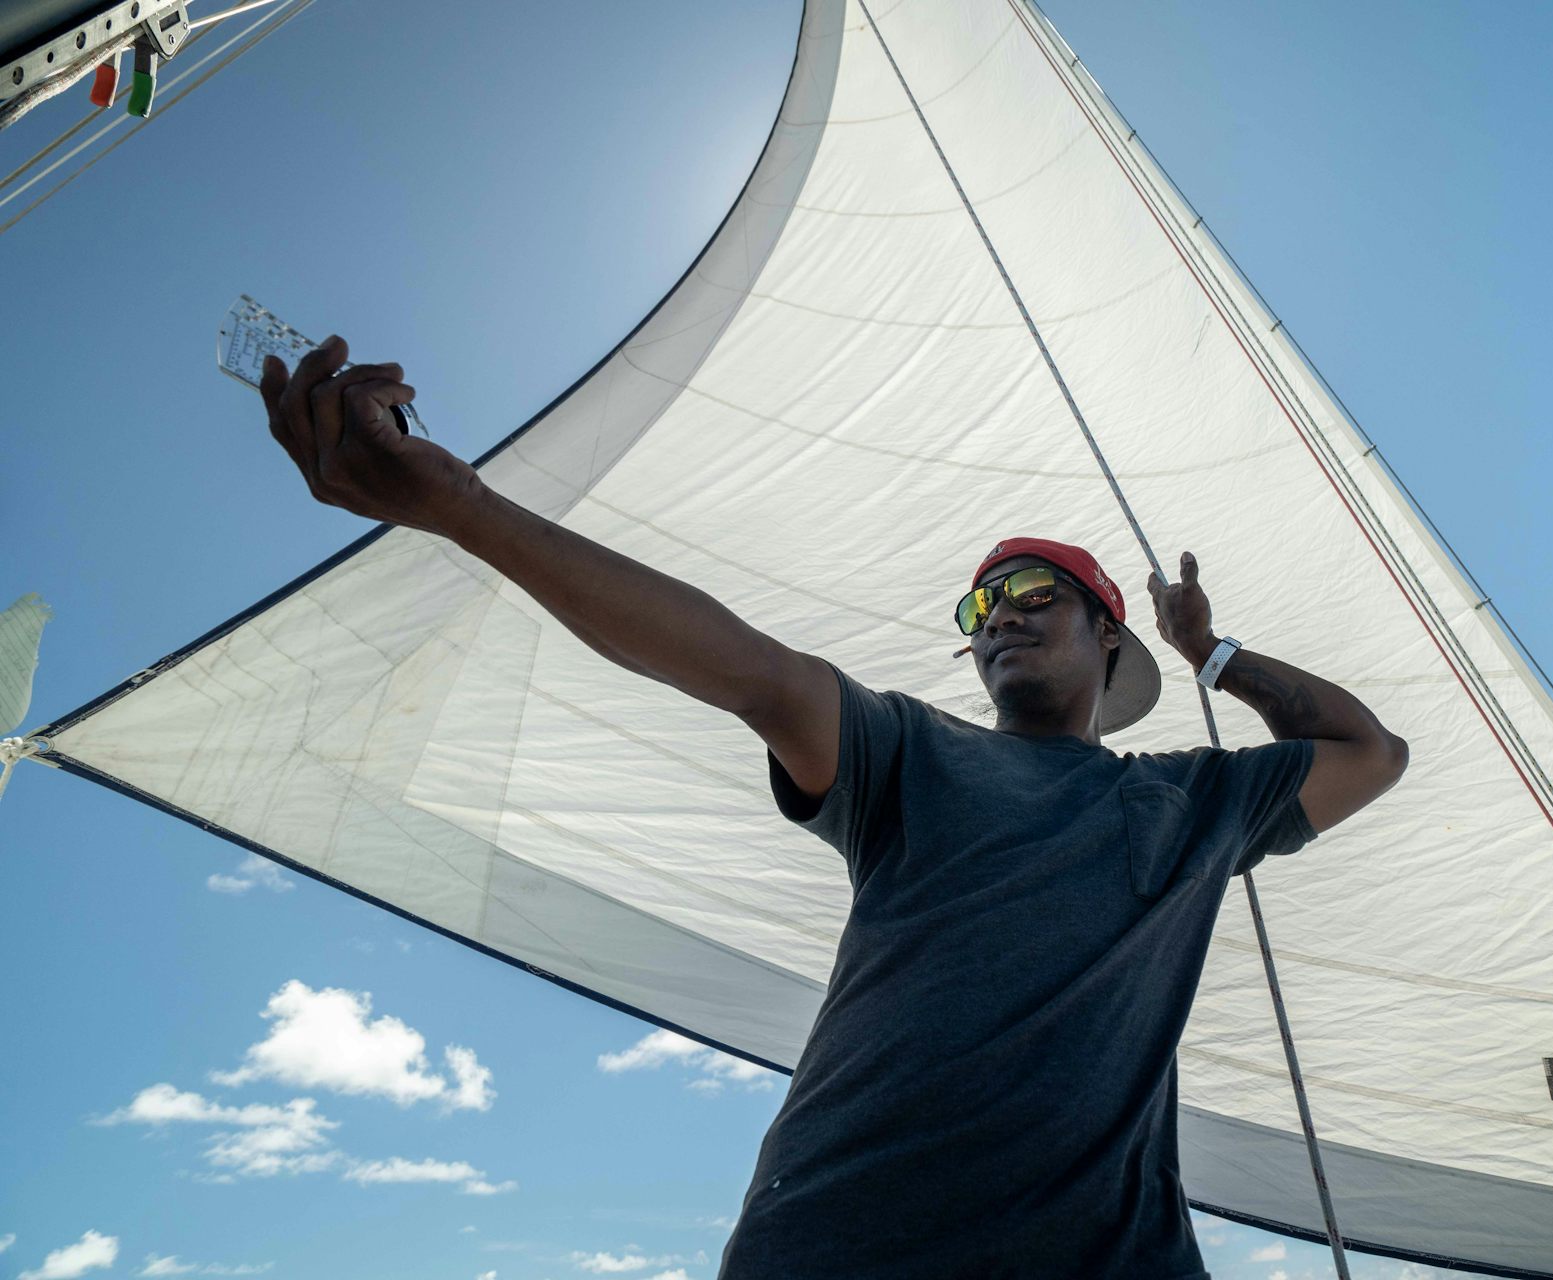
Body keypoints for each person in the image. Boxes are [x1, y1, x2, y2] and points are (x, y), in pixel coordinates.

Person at [260, 338, 1410, 1279]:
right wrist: (458, 503)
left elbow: (1370, 750)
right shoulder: (909, 749)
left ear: (1109, 631)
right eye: (978, 602)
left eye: (1029, 592)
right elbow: (750, 670)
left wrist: (1213, 654)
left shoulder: (1192, 799)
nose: (996, 613)